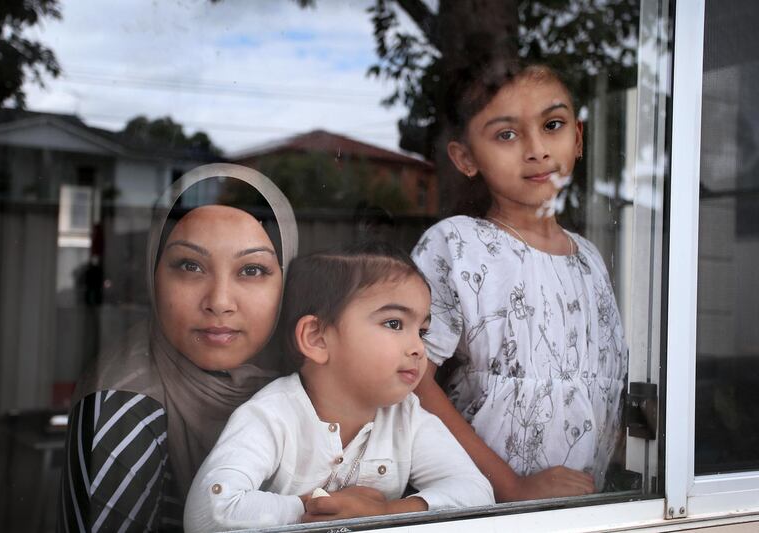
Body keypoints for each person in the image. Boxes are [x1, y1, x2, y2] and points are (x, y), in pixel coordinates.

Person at [411, 63, 628, 502]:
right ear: (466, 158)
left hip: (590, 508)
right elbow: (411, 381)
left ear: (579, 139)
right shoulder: (457, 245)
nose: (537, 150)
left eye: (552, 125)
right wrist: (510, 487)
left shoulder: (589, 260)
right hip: (484, 509)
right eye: (506, 135)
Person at [184, 242, 495, 531]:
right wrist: (313, 510)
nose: (418, 348)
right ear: (317, 338)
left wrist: (389, 513)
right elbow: (208, 512)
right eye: (394, 324)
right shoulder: (272, 415)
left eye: (422, 331)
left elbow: (477, 492)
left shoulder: (407, 417)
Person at [57, 164, 298, 532]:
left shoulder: (309, 372)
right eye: (190, 265)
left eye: (251, 270)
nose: (219, 301)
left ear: (286, 280)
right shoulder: (124, 409)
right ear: (153, 276)